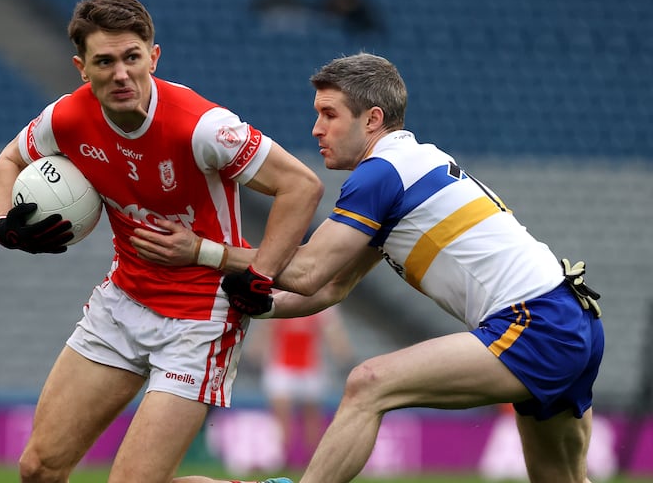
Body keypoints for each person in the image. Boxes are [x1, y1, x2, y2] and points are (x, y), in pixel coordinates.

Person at [132, 53, 605, 483]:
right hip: (570, 317)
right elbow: (331, 287)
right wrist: (256, 306)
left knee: (368, 383)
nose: (316, 128)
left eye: (329, 114)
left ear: (373, 119)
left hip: (536, 324)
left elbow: (305, 271)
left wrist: (201, 252)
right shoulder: (414, 162)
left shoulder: (381, 173)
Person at [0, 0, 323, 483]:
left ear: (154, 56)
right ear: (83, 67)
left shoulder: (203, 126)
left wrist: (260, 273)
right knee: (38, 468)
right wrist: (6, 223)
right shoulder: (67, 118)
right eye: (105, 61)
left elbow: (301, 185)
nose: (121, 73)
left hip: (200, 319)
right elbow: (10, 160)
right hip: (123, 302)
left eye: (132, 57)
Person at [257, 305, 353, 470]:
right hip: (281, 368)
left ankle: (312, 462)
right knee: (282, 417)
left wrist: (342, 355)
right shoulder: (279, 300)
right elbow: (266, 330)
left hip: (310, 368)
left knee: (312, 419)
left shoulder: (321, 305)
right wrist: (256, 354)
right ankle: (283, 458)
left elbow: (333, 332)